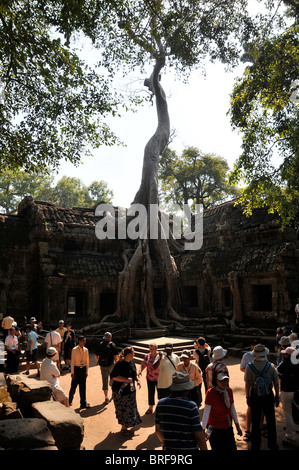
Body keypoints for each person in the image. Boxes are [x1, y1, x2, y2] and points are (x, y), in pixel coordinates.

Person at [155, 371, 207, 451]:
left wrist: (164, 442)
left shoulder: (161, 404)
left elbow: (158, 430)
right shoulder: (191, 407)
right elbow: (199, 436)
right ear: (187, 389)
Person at [244, 343, 280, 450]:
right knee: (271, 421)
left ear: (255, 354)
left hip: (255, 396)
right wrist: (277, 395)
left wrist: (247, 396)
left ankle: (256, 444)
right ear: (264, 354)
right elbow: (276, 382)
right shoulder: (271, 366)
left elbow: (247, 384)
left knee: (255, 421)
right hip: (268, 395)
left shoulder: (249, 367)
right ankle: (272, 444)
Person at [202, 372, 242, 450]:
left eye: (226, 380)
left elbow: (232, 409)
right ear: (216, 381)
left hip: (227, 426)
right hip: (215, 429)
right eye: (221, 381)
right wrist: (203, 430)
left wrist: (237, 425)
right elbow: (206, 412)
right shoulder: (210, 393)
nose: (224, 383)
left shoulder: (229, 391)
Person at [110, 346, 142, 435]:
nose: (134, 354)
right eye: (133, 353)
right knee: (122, 409)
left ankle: (129, 424)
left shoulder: (132, 362)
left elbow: (134, 374)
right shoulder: (119, 364)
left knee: (131, 408)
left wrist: (138, 380)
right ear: (128, 354)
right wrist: (125, 380)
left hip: (130, 391)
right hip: (120, 392)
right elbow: (114, 376)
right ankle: (123, 428)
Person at [277, 346, 299, 445]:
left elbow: (277, 371)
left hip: (287, 391)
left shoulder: (284, 364)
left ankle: (291, 435)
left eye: (285, 354)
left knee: (288, 414)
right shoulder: (297, 364)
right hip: (297, 391)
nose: (283, 355)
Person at [240, 338, 259, 442]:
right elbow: (242, 368)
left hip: (262, 385)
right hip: (251, 383)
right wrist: (251, 372)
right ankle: (248, 430)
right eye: (254, 344)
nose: (255, 346)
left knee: (261, 410)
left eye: (257, 344)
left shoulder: (263, 355)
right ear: (251, 346)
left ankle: (259, 429)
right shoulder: (246, 356)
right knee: (250, 407)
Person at [95, 332, 118, 404]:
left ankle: (106, 397)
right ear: (110, 338)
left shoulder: (100, 344)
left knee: (104, 380)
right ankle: (113, 393)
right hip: (111, 365)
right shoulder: (112, 345)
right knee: (113, 378)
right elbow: (115, 357)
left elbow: (96, 355)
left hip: (103, 366)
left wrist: (98, 362)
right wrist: (116, 363)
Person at [69, 335, 90, 409]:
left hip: (83, 370)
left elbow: (87, 361)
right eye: (83, 341)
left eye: (85, 341)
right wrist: (72, 372)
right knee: (73, 386)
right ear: (79, 341)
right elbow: (72, 361)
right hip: (76, 369)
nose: (84, 342)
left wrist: (87, 371)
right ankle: (69, 401)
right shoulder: (74, 349)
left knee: (83, 387)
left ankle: (83, 403)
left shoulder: (86, 350)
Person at [138, 342, 160, 414]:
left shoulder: (160, 356)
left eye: (152, 349)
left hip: (159, 378)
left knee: (160, 393)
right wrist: (140, 371)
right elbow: (143, 364)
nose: (151, 350)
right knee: (151, 392)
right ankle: (150, 407)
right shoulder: (147, 356)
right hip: (149, 378)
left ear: (156, 349)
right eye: (150, 349)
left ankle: (160, 407)